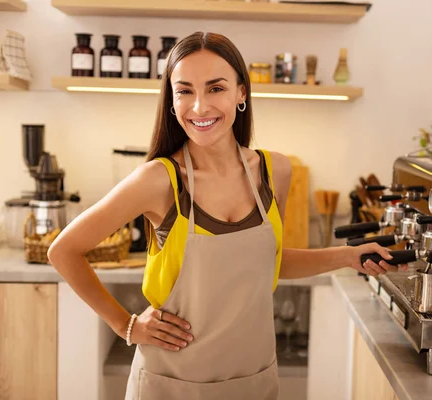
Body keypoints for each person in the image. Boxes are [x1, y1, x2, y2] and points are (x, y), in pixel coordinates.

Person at [48, 31, 397, 400]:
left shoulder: (275, 170)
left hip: (253, 380)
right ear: (171, 99)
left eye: (215, 88)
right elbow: (63, 251)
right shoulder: (158, 180)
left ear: (241, 92)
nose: (199, 107)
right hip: (170, 383)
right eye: (184, 91)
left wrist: (348, 256)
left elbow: (266, 263)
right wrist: (126, 325)